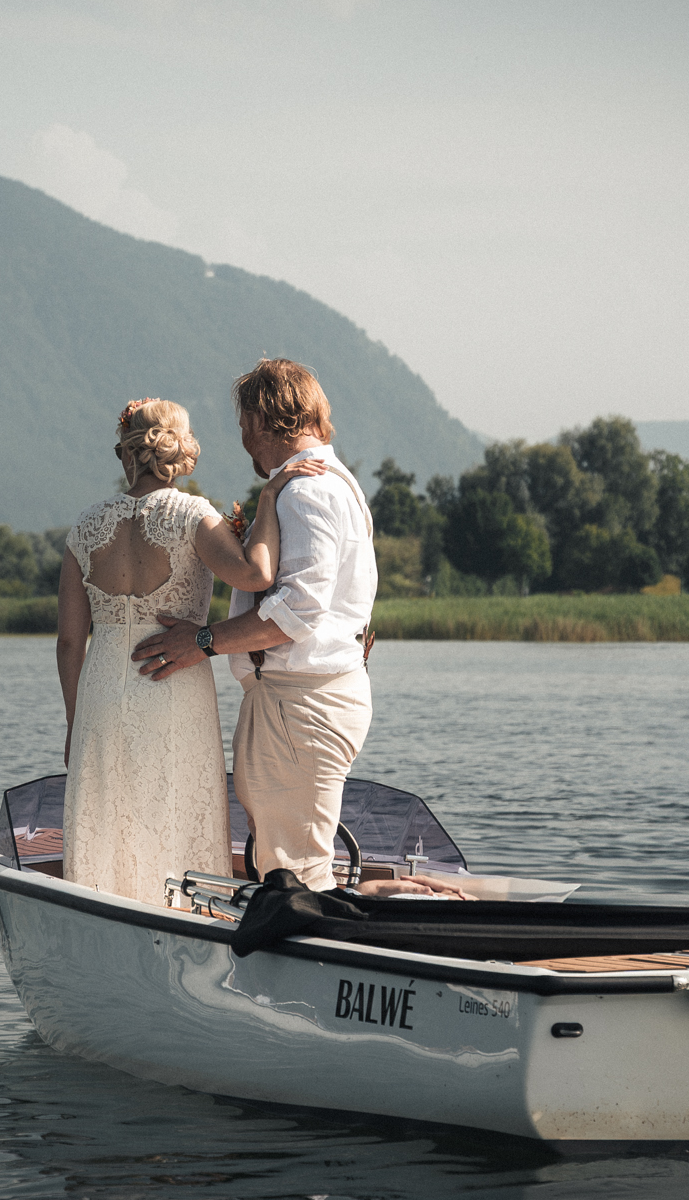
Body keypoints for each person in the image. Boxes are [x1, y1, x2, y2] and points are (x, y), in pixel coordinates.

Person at [130, 360, 465, 899]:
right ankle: (395, 899)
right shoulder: (337, 485)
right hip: (304, 699)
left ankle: (393, 914)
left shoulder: (307, 493)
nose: (243, 440)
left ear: (265, 421)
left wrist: (202, 642)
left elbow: (297, 612)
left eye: (244, 425)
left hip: (301, 702)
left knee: (295, 874)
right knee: (285, 857)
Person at [56, 398, 324, 905]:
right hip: (173, 686)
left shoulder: (85, 528)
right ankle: (184, 923)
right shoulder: (191, 515)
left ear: (126, 454)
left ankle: (102, 920)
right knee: (175, 810)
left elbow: (70, 642)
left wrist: (74, 722)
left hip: (99, 700)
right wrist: (268, 501)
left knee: (110, 816)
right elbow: (257, 575)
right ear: (182, 452)